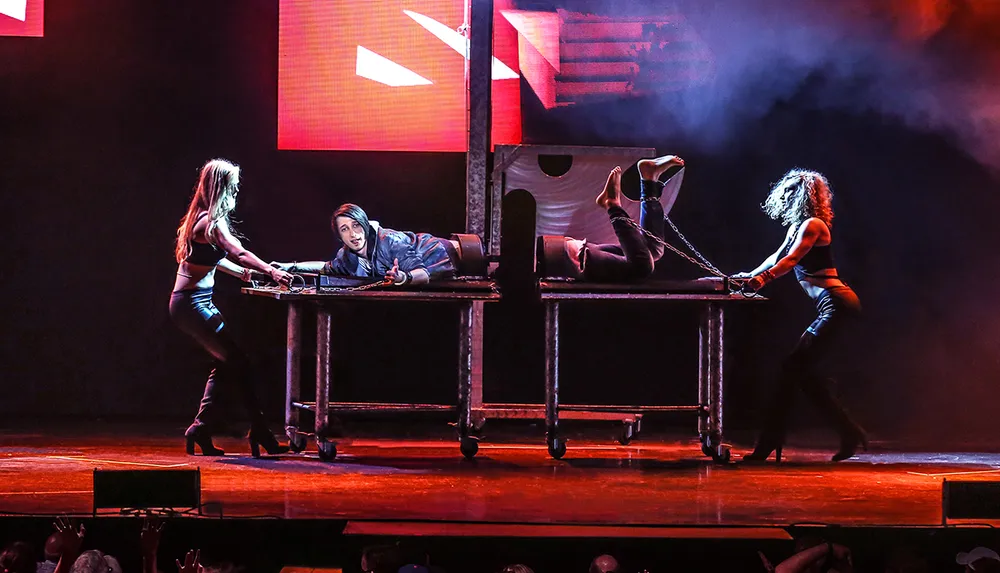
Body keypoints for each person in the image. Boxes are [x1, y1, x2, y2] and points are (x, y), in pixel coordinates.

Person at [737, 169, 867, 462]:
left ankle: (769, 443)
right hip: (831, 305)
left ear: (800, 196)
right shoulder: (798, 226)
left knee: (792, 369)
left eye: (787, 193)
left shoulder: (813, 224)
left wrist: (765, 279)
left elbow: (792, 260)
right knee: (801, 374)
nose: (782, 198)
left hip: (837, 304)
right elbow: (778, 255)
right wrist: (749, 275)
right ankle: (848, 432)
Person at [170, 159, 292, 457]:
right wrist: (271, 271)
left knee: (228, 363)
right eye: (233, 185)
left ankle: (200, 428)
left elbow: (211, 258)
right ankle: (260, 432)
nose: (237, 190)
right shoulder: (211, 222)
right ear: (222, 188)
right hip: (190, 305)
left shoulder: (200, 220)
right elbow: (238, 251)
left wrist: (240, 274)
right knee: (240, 362)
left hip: (195, 303)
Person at [271, 203, 458, 285]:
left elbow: (422, 273)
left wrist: (402, 277)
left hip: (446, 253)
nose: (353, 234)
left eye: (356, 226)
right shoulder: (346, 255)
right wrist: (291, 266)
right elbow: (327, 267)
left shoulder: (389, 242)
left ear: (365, 226)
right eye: (344, 229)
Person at [563, 155, 684, 282]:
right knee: (652, 251)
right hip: (569, 254)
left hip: (567, 256)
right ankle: (649, 181)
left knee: (643, 264)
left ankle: (612, 205)